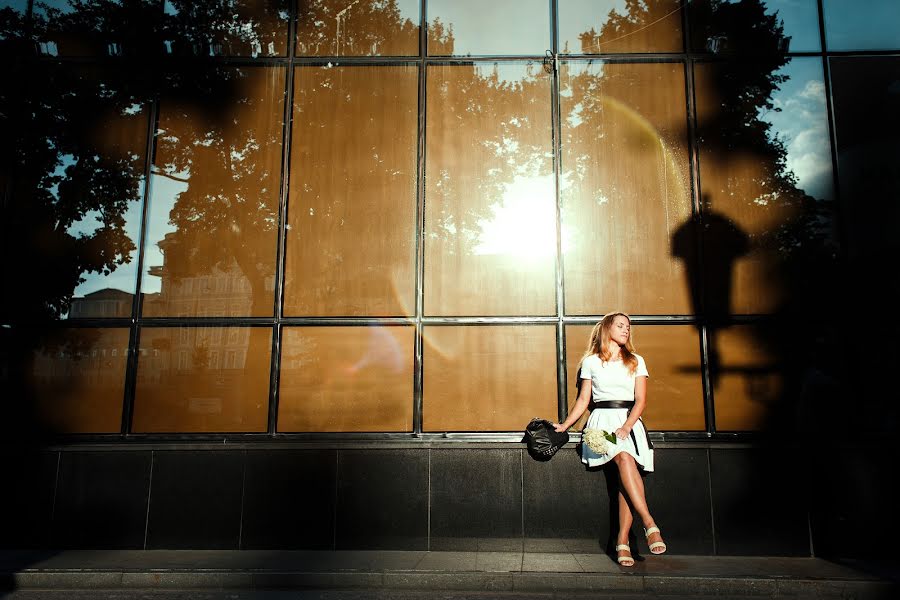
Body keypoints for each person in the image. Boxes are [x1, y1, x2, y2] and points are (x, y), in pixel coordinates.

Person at [553, 312, 666, 566]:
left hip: (629, 422)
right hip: (602, 423)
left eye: (628, 327)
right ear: (607, 329)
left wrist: (627, 426)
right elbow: (584, 400)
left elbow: (641, 401)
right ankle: (649, 523)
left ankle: (622, 541)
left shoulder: (636, 360)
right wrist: (565, 426)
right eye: (620, 325)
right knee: (624, 459)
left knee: (625, 478)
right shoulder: (591, 362)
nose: (626, 330)